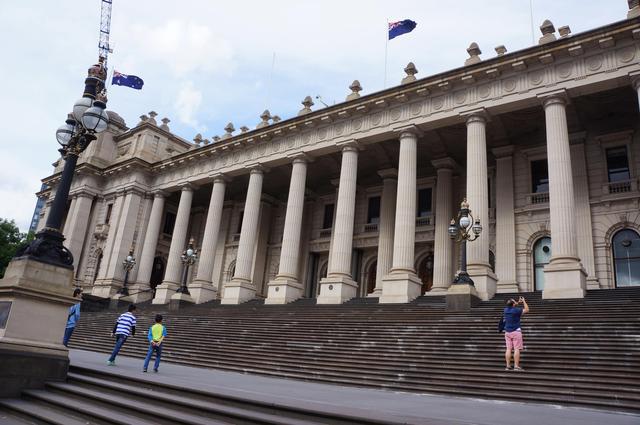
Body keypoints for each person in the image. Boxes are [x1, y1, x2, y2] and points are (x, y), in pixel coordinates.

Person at [503, 296, 529, 371]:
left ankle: (508, 366)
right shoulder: (516, 310)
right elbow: (527, 309)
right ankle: (516, 366)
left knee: (508, 349)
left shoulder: (505, 310)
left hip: (507, 332)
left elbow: (511, 305)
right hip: (516, 331)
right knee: (516, 349)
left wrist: (517, 302)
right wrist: (523, 301)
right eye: (515, 302)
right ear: (513, 304)